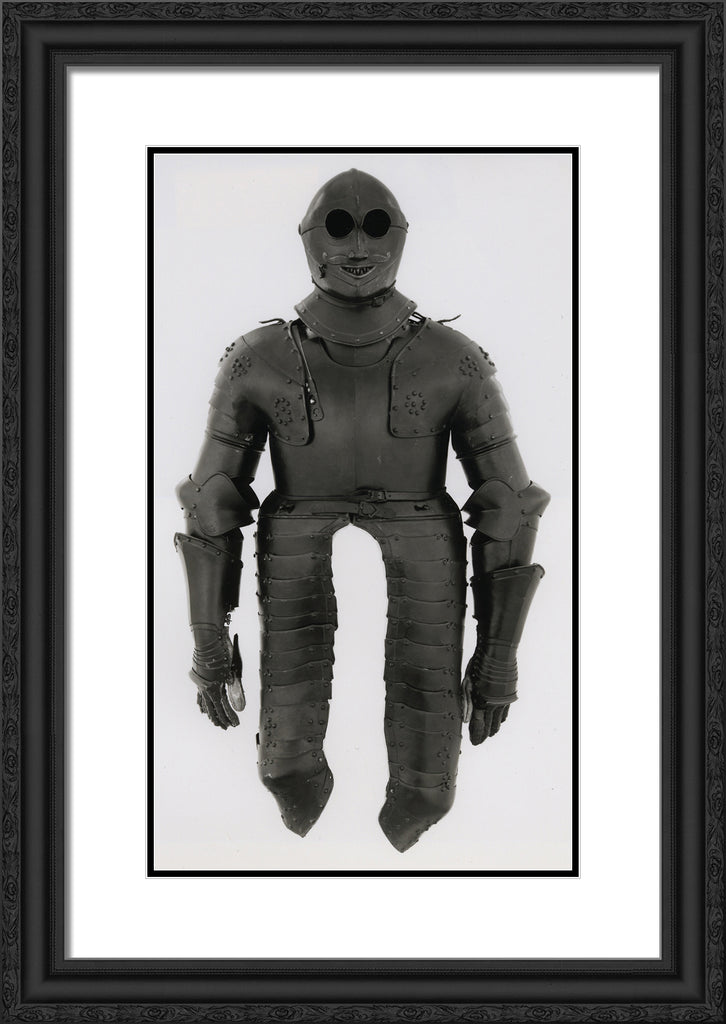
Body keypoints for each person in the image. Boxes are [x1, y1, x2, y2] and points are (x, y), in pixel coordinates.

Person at [175, 168, 549, 852]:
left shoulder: (455, 360)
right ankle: (296, 787)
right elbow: (210, 502)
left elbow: (511, 505)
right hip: (301, 517)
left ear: (399, 236)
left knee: (429, 762)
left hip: (418, 517)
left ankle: (415, 802)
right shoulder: (257, 359)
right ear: (308, 238)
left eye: (375, 227)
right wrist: (207, 644)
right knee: (284, 750)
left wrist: (499, 656)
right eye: (340, 228)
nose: (355, 247)